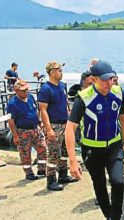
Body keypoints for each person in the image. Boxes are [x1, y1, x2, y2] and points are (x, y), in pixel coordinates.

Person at [65, 61, 124, 220]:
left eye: (111, 79)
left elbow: (123, 118)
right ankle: (109, 216)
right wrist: (72, 160)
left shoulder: (118, 92)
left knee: (118, 182)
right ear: (93, 80)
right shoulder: (84, 98)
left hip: (114, 146)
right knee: (99, 185)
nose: (109, 83)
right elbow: (70, 129)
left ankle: (115, 217)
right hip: (92, 150)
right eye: (104, 79)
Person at [38, 61, 77, 191]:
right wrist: (48, 129)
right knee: (53, 153)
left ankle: (63, 174)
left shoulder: (61, 86)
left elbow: (65, 102)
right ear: (52, 72)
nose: (61, 72)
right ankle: (51, 180)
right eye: (58, 70)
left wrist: (69, 115)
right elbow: (43, 110)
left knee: (65, 151)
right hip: (54, 124)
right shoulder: (46, 89)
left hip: (65, 123)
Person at [7, 80, 47, 180]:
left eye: (27, 89)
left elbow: (35, 109)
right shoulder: (12, 103)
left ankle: (41, 168)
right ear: (16, 90)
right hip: (22, 131)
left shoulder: (30, 97)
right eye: (23, 90)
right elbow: (11, 121)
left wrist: (39, 121)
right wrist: (15, 136)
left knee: (43, 147)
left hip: (35, 128)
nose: (26, 92)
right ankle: (28, 172)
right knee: (25, 153)